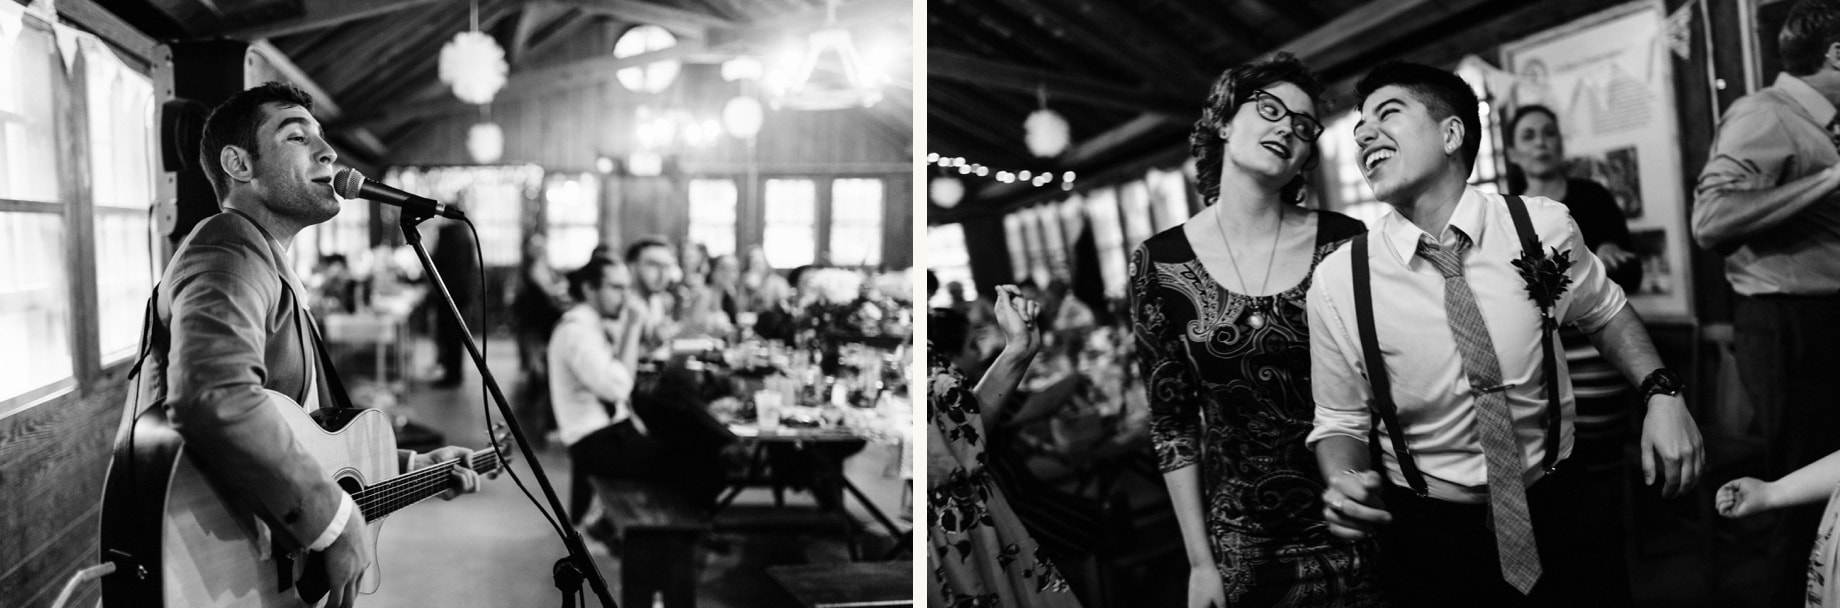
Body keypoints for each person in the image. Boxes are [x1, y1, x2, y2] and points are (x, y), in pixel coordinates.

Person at [1307, 62, 1702, 607]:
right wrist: (1345, 478)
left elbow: (1606, 311)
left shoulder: (1541, 226)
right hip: (1432, 535)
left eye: (1388, 114)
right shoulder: (1338, 280)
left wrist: (1662, 393)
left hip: (1562, 501)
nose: (1364, 134)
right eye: (1359, 128)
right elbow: (1340, 419)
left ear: (1452, 134)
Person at [143, 82, 480, 608]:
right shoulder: (226, 246)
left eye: (323, 138)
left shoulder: (268, 262)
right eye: (298, 137)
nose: (328, 153)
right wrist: (334, 521)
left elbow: (303, 430)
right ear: (239, 164)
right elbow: (215, 396)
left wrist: (411, 467)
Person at [1128, 53, 1383, 608]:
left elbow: (1383, 378)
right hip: (1243, 540)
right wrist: (1199, 562)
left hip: (1354, 516)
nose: (1286, 127)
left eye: (1303, 125)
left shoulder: (1346, 242)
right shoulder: (1160, 262)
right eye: (1269, 108)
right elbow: (1172, 425)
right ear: (1222, 120)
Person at [1692, 2, 1840, 603]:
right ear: (1837, 53)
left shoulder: (1825, 122)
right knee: (1799, 494)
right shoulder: (1765, 114)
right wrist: (1832, 177)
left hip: (1825, 319)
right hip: (1791, 326)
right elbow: (1711, 220)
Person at [1502, 103, 1642, 558]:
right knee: (1545, 472)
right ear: (1513, 151)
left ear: (1560, 143)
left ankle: (1608, 553)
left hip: (1594, 353)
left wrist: (1607, 258)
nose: (1541, 142)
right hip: (1535, 359)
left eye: (1549, 133)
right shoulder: (1505, 210)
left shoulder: (1592, 198)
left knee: (1596, 470)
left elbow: (1630, 276)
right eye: (1529, 135)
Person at [928, 285, 1078, 607]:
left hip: (977, 511)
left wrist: (1019, 350)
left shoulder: (927, 351)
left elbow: (962, 428)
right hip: (950, 525)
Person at [511, 233, 567, 445]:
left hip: (544, 325)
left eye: (542, 245)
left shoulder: (546, 267)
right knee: (538, 372)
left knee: (542, 372)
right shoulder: (529, 270)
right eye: (536, 246)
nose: (540, 249)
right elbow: (547, 294)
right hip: (533, 327)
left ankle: (541, 421)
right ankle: (536, 423)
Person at [428, 202, 479, 387]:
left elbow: (436, 262)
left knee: (449, 335)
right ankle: (455, 373)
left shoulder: (448, 235)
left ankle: (451, 376)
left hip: (448, 293)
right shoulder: (465, 235)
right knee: (457, 337)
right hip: (463, 294)